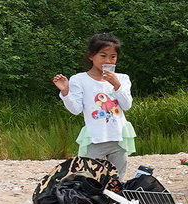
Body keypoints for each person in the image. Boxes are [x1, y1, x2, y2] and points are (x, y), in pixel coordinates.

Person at [52, 32, 136, 179]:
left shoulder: (122, 78)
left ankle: (115, 202)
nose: (108, 61)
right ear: (91, 56)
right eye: (103, 56)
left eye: (113, 57)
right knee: (89, 177)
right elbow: (75, 110)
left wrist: (116, 85)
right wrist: (65, 91)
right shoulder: (79, 79)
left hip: (119, 136)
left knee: (118, 178)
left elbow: (127, 105)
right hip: (95, 137)